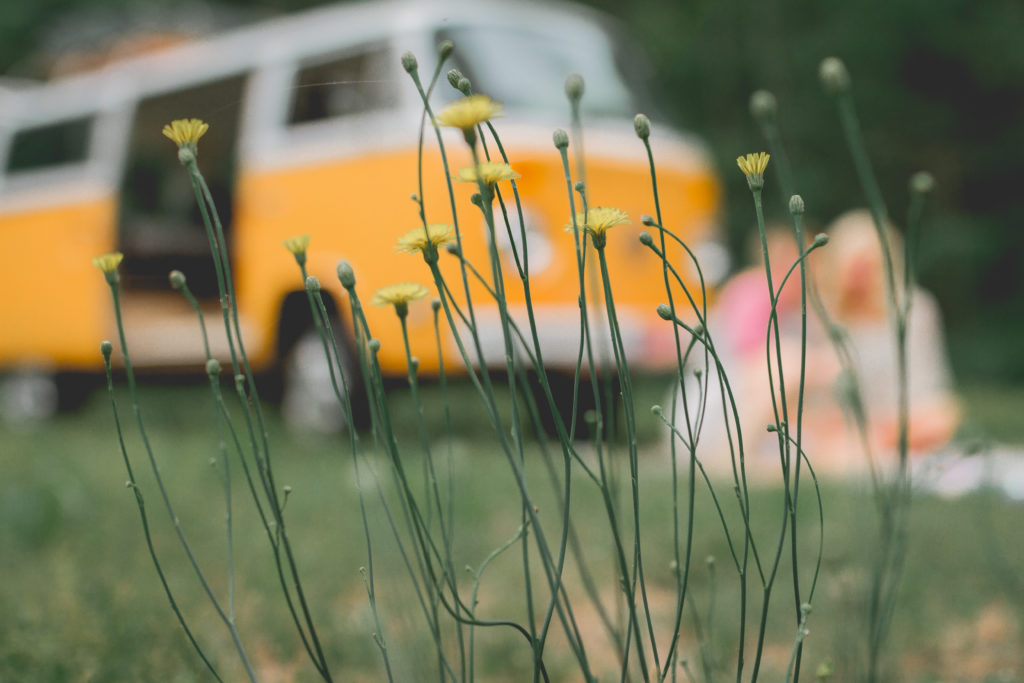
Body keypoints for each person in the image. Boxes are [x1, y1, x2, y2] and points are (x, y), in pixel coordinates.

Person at [666, 210, 960, 479]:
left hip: (895, 422)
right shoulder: (818, 313)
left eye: (868, 266)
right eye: (852, 265)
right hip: (827, 429)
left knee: (930, 423)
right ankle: (737, 460)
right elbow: (791, 392)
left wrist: (883, 428)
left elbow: (932, 400)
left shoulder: (913, 310)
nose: (860, 278)